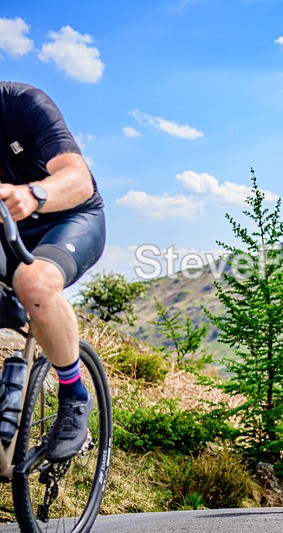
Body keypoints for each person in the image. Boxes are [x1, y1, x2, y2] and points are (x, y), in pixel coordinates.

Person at [0, 82, 105, 461]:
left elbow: (77, 178)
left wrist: (33, 194)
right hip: (7, 228)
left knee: (34, 282)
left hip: (69, 218)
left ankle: (74, 395)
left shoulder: (23, 103)